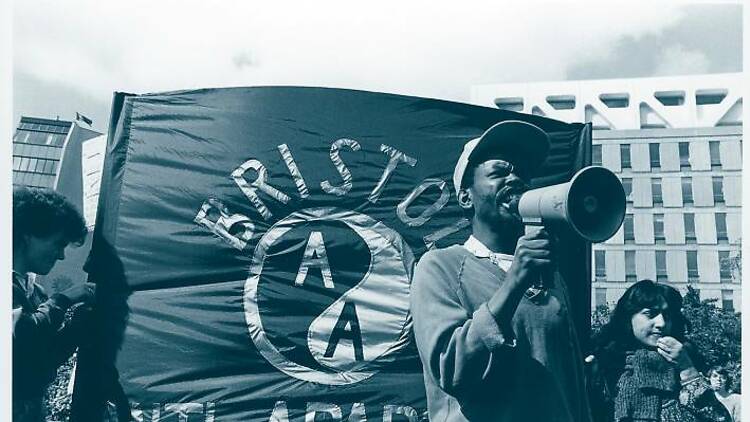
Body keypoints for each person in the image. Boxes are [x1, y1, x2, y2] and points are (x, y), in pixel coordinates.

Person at [410, 120, 591, 421]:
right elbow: (452, 368)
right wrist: (514, 283)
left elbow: (572, 385)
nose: (516, 178)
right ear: (466, 197)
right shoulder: (439, 266)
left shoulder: (552, 278)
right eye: (500, 171)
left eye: (522, 172)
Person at [588, 279, 732, 422]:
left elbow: (719, 418)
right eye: (650, 314)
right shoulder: (605, 363)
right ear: (628, 317)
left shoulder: (685, 360)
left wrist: (687, 368)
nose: (661, 323)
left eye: (667, 315)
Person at [13, 187, 96, 422]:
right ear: (27, 234)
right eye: (58, 243)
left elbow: (37, 361)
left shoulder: (36, 292)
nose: (60, 255)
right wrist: (64, 298)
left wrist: (75, 330)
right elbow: (21, 333)